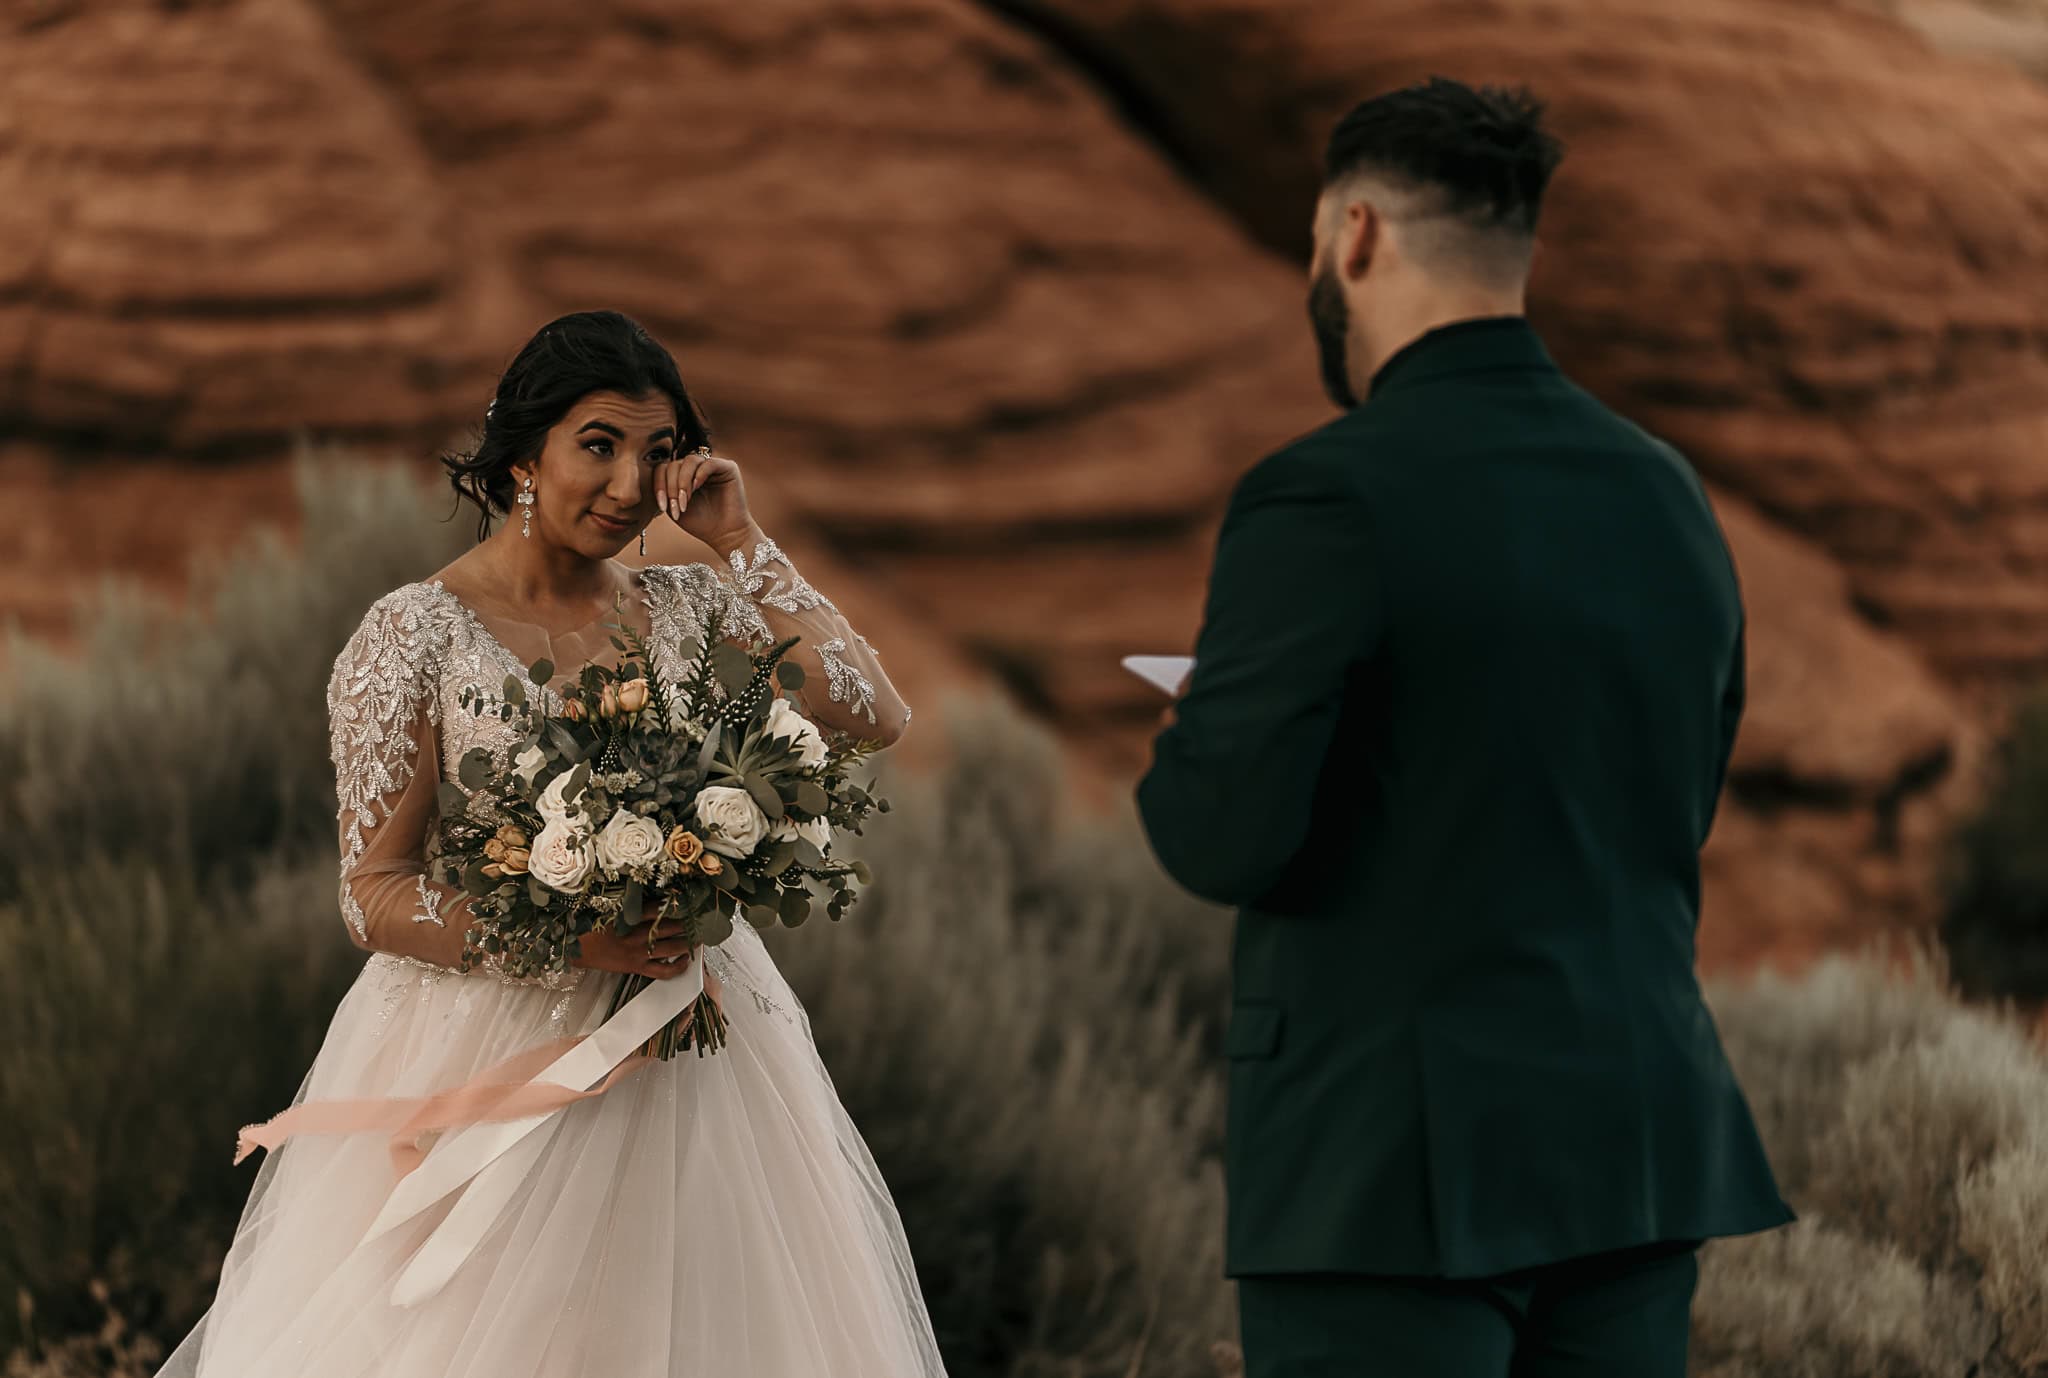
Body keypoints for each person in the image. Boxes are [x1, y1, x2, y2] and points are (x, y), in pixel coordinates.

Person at [1135, 78, 1794, 1378]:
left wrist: (1220, 707)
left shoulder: (1321, 494)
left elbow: (1220, 836)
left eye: (1319, 245)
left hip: (1394, 1168)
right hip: (1634, 1148)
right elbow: (1670, 792)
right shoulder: (1669, 496)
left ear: (1358, 237)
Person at [154, 310, 946, 1378]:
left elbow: (875, 710)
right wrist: (565, 942)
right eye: (600, 444)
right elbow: (371, 893)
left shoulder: (686, 604)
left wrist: (738, 541)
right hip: (483, 1054)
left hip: (689, 1056)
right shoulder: (412, 634)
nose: (629, 484)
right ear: (522, 454)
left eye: (657, 453)